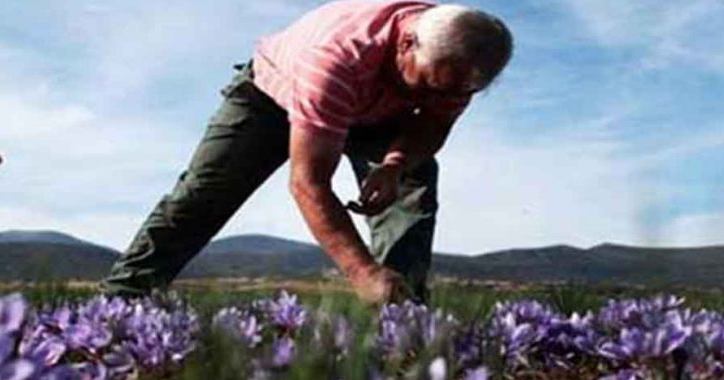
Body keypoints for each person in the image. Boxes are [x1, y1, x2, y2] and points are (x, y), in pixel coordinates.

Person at [103, 1, 512, 303]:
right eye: (426, 85)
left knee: (411, 188)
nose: (431, 97)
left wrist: (395, 163)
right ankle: (120, 304)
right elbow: (308, 183)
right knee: (204, 195)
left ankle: (399, 319)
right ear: (406, 43)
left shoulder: (454, 69)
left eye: (449, 92)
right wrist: (361, 270)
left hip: (376, 110)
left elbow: (433, 123)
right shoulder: (337, 58)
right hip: (274, 98)